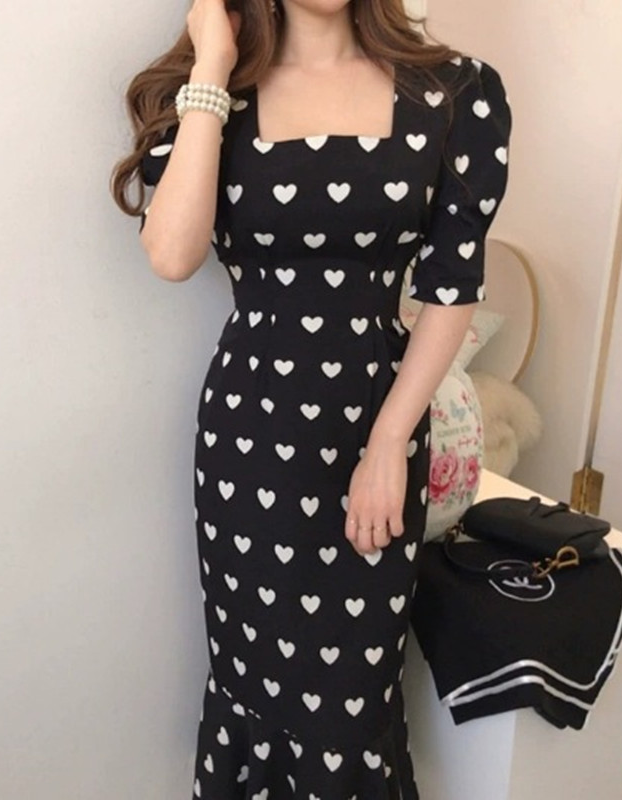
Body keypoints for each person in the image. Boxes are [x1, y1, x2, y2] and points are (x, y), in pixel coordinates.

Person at [111, 0, 511, 795]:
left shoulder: (455, 91)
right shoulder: (214, 91)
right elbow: (172, 253)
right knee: (252, 678)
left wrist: (388, 442)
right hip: (248, 443)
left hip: (378, 427)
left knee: (351, 699)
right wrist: (213, 64)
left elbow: (451, 288)